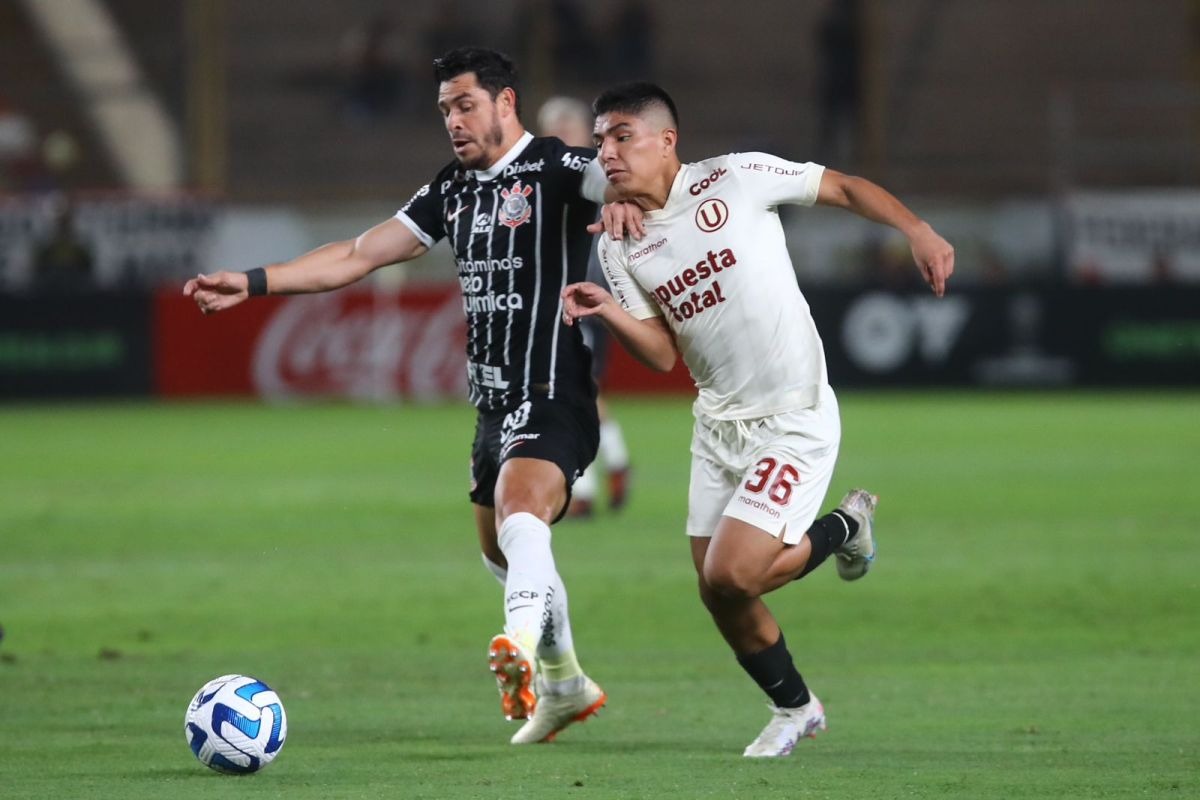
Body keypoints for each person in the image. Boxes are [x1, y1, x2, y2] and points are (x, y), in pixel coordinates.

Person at [185, 47, 619, 746]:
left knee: (521, 517)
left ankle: (516, 648)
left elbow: (638, 179)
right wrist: (253, 281)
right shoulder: (452, 189)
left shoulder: (557, 166)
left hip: (553, 390)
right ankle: (566, 684)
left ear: (506, 103)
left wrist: (631, 201)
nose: (453, 121)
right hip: (492, 405)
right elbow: (358, 254)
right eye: (445, 109)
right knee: (503, 553)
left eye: (465, 105)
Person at [563, 82, 954, 757]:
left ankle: (844, 526)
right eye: (601, 141)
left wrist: (915, 229)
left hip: (793, 414)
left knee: (733, 574)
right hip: (718, 423)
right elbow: (661, 354)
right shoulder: (621, 244)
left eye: (622, 136)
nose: (608, 152)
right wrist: (610, 311)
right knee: (716, 590)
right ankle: (794, 707)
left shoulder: (737, 178)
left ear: (667, 140)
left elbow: (843, 188)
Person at [537, 96, 632, 517]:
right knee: (583, 390)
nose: (558, 139)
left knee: (572, 389)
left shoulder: (600, 177)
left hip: (589, 297)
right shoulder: (547, 175)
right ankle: (614, 461)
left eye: (566, 130)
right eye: (551, 131)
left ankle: (585, 489)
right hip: (565, 297)